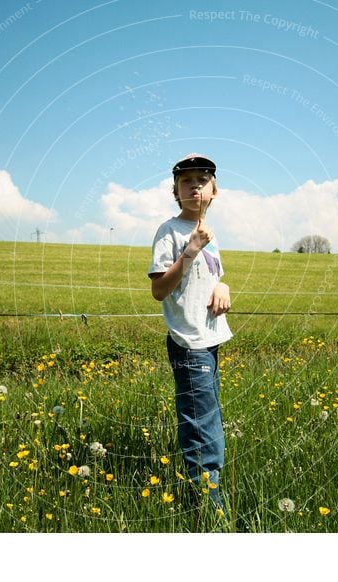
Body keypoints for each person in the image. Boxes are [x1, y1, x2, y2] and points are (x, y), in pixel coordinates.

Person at [148, 153, 232, 512]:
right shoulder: (170, 232)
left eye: (202, 179)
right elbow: (159, 290)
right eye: (186, 181)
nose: (194, 185)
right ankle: (210, 511)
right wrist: (190, 251)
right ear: (175, 191)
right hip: (189, 342)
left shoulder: (210, 236)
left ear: (214, 190)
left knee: (209, 418)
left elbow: (214, 276)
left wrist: (224, 286)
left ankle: (208, 499)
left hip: (210, 339)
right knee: (202, 428)